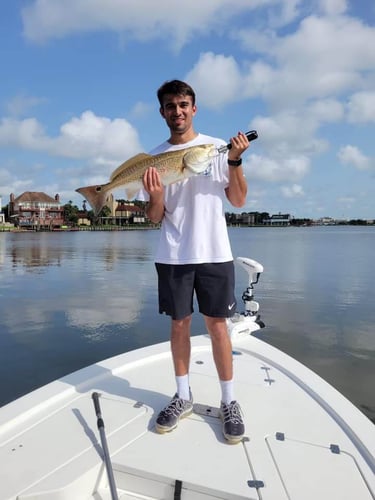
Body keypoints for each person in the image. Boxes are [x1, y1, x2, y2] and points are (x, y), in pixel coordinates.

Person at [140, 79, 250, 444]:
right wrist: (155, 194)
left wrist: (234, 161)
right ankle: (183, 396)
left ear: (194, 108)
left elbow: (237, 199)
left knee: (218, 326)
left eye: (184, 104)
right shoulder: (153, 160)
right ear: (162, 112)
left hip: (215, 251)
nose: (178, 111)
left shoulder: (216, 148)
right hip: (173, 254)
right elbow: (155, 217)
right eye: (170, 106)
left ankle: (230, 402)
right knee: (178, 325)